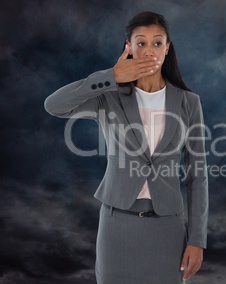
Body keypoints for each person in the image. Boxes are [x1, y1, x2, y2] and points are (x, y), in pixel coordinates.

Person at [44, 11, 208, 284]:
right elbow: (54, 105)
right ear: (128, 48)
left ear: (167, 48)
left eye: (157, 43)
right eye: (140, 43)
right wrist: (111, 76)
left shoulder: (189, 102)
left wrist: (197, 239)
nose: (149, 51)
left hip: (168, 228)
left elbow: (197, 175)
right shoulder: (108, 97)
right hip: (116, 225)